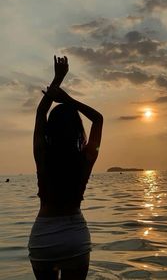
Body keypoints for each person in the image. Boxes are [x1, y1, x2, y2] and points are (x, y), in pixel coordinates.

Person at [28, 56, 103, 280]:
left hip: (44, 239)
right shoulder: (86, 158)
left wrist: (58, 79)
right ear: (77, 129)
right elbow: (98, 119)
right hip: (74, 238)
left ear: (51, 129)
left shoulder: (43, 154)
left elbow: (40, 114)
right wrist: (68, 100)